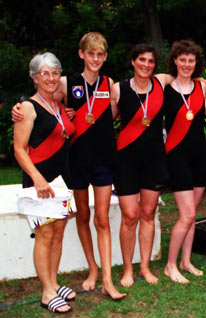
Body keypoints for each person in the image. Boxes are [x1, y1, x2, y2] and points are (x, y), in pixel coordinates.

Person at [12, 32, 126, 299]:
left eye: (100, 55)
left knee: (99, 220)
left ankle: (108, 279)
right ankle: (92, 270)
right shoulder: (64, 82)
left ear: (105, 56)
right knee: (81, 217)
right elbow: (36, 101)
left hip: (101, 162)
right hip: (73, 163)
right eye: (90, 54)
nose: (95, 59)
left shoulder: (111, 84)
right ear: (81, 54)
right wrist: (17, 108)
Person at [13, 52, 75, 313]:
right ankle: (47, 292)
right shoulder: (27, 107)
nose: (50, 78)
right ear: (35, 78)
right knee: (45, 235)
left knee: (58, 233)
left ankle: (54, 282)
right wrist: (37, 178)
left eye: (54, 73)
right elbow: (18, 148)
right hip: (39, 180)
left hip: (61, 179)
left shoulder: (58, 105)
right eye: (44, 73)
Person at [110, 43, 174, 287]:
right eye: (142, 60)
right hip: (125, 159)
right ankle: (127, 270)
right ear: (133, 61)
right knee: (130, 215)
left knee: (148, 213)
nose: (146, 65)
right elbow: (107, 118)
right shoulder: (119, 89)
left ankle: (145, 267)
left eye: (150, 61)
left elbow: (190, 75)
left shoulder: (161, 82)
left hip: (154, 158)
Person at [162, 40, 206, 284]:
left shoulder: (202, 88)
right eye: (182, 59)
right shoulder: (164, 86)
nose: (186, 64)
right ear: (175, 61)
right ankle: (170, 266)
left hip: (199, 156)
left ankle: (186, 261)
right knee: (187, 214)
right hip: (177, 156)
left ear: (196, 63)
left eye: (191, 60)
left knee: (192, 215)